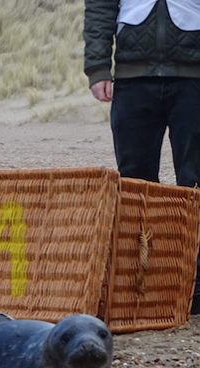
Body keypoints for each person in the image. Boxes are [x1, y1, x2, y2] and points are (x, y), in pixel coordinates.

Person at [83, 0, 200, 314]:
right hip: (132, 80)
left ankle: (195, 285)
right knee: (135, 184)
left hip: (194, 77)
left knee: (196, 181)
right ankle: (140, 284)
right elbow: (100, 7)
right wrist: (97, 68)